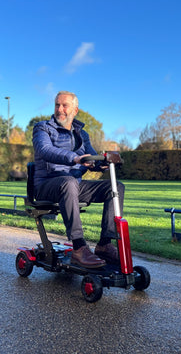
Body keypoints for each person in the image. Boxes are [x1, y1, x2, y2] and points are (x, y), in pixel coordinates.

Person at [32, 90, 125, 269]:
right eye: (57, 105)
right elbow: (45, 150)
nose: (60, 109)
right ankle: (79, 247)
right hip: (47, 185)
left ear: (75, 110)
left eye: (65, 105)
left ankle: (105, 244)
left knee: (115, 187)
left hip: (74, 185)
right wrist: (73, 158)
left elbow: (90, 157)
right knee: (69, 182)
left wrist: (101, 164)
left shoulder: (82, 134)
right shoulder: (42, 128)